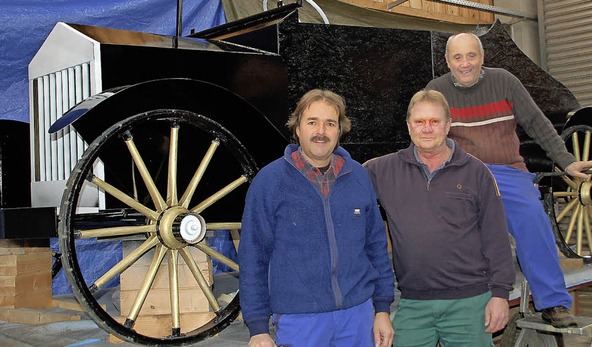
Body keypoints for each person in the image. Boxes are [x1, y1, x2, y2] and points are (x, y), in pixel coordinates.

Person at [426, 32, 592, 328]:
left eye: (471, 56)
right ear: (447, 61)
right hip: (462, 172)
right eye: (458, 57)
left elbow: (538, 123)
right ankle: (460, 302)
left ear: (482, 57)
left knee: (532, 216)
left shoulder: (504, 81)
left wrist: (566, 162)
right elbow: (425, 136)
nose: (465, 64)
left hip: (506, 171)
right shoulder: (436, 91)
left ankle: (553, 301)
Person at [239, 89, 395, 347]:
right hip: (299, 319)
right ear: (298, 128)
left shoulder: (358, 176)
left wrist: (381, 309)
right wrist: (258, 328)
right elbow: (253, 255)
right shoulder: (270, 182)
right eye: (312, 122)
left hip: (357, 315)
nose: (321, 131)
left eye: (330, 123)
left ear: (339, 131)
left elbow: (376, 246)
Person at [364, 89, 515, 346]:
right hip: (412, 304)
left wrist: (500, 294)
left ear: (448, 125)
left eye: (434, 121)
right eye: (419, 121)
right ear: (409, 126)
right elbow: (343, 179)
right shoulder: (383, 170)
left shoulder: (476, 172)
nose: (427, 128)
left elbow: (496, 236)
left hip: (469, 302)